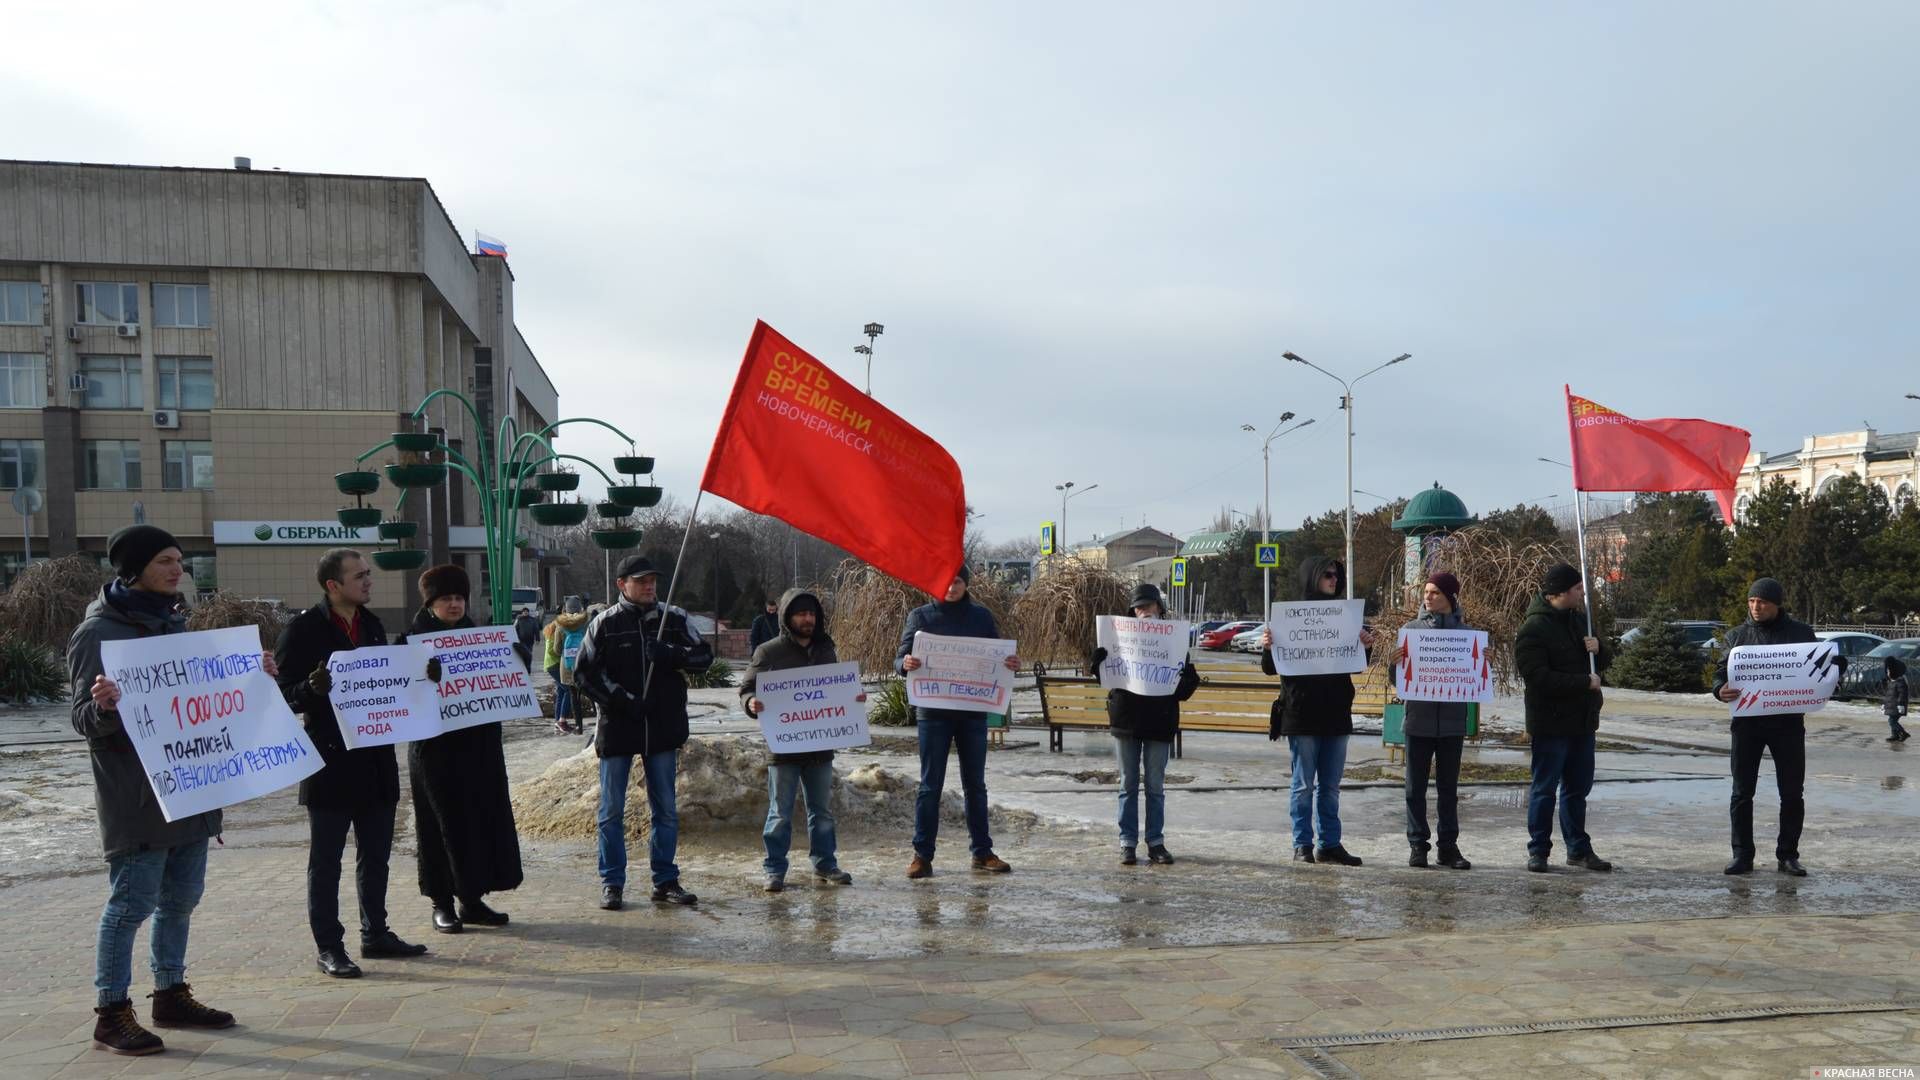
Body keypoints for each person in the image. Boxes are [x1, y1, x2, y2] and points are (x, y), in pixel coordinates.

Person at [69, 526, 271, 1055]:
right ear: (133, 569)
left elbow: (205, 698)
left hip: (191, 787)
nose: (177, 568)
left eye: (180, 559)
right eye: (165, 560)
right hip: (137, 797)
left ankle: (170, 993)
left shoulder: (176, 622)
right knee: (131, 904)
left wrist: (253, 677)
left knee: (181, 900)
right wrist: (105, 705)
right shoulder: (99, 632)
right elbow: (83, 720)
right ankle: (111, 1011)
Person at [275, 549, 430, 979]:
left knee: (376, 854)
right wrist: (309, 688)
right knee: (326, 860)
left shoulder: (374, 625)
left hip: (377, 759)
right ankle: (329, 946)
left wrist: (423, 677)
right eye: (359, 576)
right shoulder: (303, 630)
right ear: (333, 585)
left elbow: (391, 683)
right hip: (329, 761)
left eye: (368, 574)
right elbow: (283, 694)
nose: (368, 581)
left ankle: (375, 933)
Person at [573, 555, 713, 911]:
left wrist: (670, 653)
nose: (650, 586)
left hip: (662, 727)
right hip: (619, 728)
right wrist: (621, 700)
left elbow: (703, 657)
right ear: (622, 584)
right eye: (641, 580)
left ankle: (665, 880)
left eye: (653, 580)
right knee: (611, 810)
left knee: (665, 809)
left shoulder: (675, 618)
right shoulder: (603, 624)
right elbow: (585, 674)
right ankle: (612, 882)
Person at [397, 564, 525, 931]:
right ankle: (442, 902)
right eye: (445, 599)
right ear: (430, 603)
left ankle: (472, 898)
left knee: (478, 821)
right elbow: (399, 692)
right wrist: (422, 678)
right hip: (435, 752)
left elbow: (502, 685)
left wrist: (516, 660)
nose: (454, 605)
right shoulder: (411, 641)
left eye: (459, 598)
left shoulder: (482, 639)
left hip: (478, 747)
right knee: (440, 824)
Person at [896, 566, 1021, 879]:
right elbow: (899, 658)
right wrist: (905, 663)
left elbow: (997, 656)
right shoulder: (920, 617)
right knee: (930, 785)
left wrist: (1010, 664)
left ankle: (982, 852)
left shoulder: (980, 616)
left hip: (971, 710)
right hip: (933, 711)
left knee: (975, 785)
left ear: (966, 584)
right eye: (946, 580)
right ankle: (922, 855)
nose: (951, 587)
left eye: (958, 581)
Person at [1711, 577, 1841, 876]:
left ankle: (1788, 855)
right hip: (1747, 725)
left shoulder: (1800, 633)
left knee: (1792, 792)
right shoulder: (1737, 637)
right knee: (1742, 792)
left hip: (1788, 724)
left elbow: (1818, 669)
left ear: (1777, 604)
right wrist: (1719, 689)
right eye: (1752, 601)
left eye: (1763, 602)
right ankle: (1742, 855)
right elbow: (1721, 673)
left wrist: (1835, 668)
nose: (1756, 607)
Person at [1257, 557, 1375, 867]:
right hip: (1301, 713)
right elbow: (1271, 668)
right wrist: (1268, 647)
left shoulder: (1345, 617)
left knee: (1331, 786)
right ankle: (1302, 844)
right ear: (1312, 577)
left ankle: (1330, 844)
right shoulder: (1291, 617)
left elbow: (1357, 663)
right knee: (1302, 784)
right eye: (1328, 575)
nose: (1334, 579)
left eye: (1337, 575)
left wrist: (1365, 645)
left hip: (1336, 712)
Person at [741, 588, 862, 891]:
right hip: (783, 747)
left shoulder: (826, 648)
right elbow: (746, 688)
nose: (807, 619)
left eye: (811, 613)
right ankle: (774, 869)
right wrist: (751, 702)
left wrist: (853, 699)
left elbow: (835, 690)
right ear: (787, 617)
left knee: (821, 812)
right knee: (779, 813)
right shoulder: (768, 652)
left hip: (820, 746)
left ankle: (825, 864)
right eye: (801, 613)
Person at [1086, 583, 1199, 866]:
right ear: (1131, 613)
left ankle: (1155, 842)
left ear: (1159, 608)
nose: (1143, 612)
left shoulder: (1173, 641)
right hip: (1127, 719)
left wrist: (1189, 678)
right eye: (1138, 608)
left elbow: (1182, 690)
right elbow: (1107, 679)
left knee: (1155, 786)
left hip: (1159, 721)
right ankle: (1127, 843)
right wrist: (1097, 663)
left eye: (1148, 606)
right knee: (1127, 784)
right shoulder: (1120, 639)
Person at [1514, 563, 1613, 874]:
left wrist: (1601, 649)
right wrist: (1582, 682)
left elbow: (1600, 663)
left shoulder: (1580, 621)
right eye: (1577, 588)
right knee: (1545, 788)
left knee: (1577, 789)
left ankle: (1578, 848)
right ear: (1559, 592)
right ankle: (1539, 850)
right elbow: (1538, 677)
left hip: (1582, 721)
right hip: (1551, 722)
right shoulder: (1533, 629)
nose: (1582, 592)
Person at [1393, 572, 1474, 870]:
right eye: (1426, 592)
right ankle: (1418, 845)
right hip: (1418, 721)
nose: (1427, 597)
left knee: (1448, 789)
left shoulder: (1467, 635)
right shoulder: (1411, 631)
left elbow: (1474, 678)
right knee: (1415, 788)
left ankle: (1448, 847)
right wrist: (1396, 664)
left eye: (1435, 592)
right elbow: (1399, 682)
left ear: (1450, 598)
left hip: (1452, 723)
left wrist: (1482, 663)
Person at [547, 597, 590, 735]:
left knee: (573, 696)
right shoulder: (586, 623)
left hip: (566, 665)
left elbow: (557, 649)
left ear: (566, 608)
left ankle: (579, 727)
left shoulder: (560, 625)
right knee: (590, 691)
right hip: (583, 664)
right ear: (580, 608)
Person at [1884, 657, 1911, 743]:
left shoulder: (1900, 681)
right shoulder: (1892, 682)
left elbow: (1902, 694)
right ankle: (1894, 735)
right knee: (1892, 720)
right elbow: (1888, 695)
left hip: (1897, 706)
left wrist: (1900, 704)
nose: (1887, 673)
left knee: (1892, 721)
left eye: (1889, 671)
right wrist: (1884, 704)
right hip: (1892, 706)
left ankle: (1903, 733)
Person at [512, 607, 541, 671]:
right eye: (524, 611)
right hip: (521, 640)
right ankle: (524, 666)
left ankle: (528, 667)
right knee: (523, 654)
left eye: (526, 611)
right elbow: (514, 629)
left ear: (528, 612)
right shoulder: (519, 620)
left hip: (530, 640)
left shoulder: (532, 620)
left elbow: (536, 629)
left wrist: (537, 639)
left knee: (529, 653)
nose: (525, 612)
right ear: (522, 613)